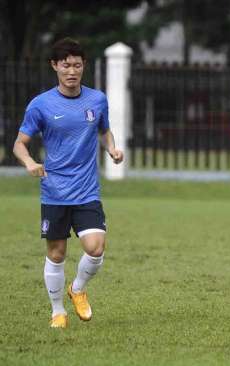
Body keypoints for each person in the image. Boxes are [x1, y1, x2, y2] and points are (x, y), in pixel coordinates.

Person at [13, 38, 124, 328]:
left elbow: (105, 130)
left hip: (87, 189)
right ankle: (57, 311)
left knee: (96, 247)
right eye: (66, 66)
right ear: (55, 66)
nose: (72, 71)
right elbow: (19, 144)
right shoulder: (41, 105)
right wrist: (29, 163)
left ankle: (77, 289)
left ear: (84, 66)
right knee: (57, 252)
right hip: (54, 191)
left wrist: (111, 147)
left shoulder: (97, 99)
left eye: (77, 65)